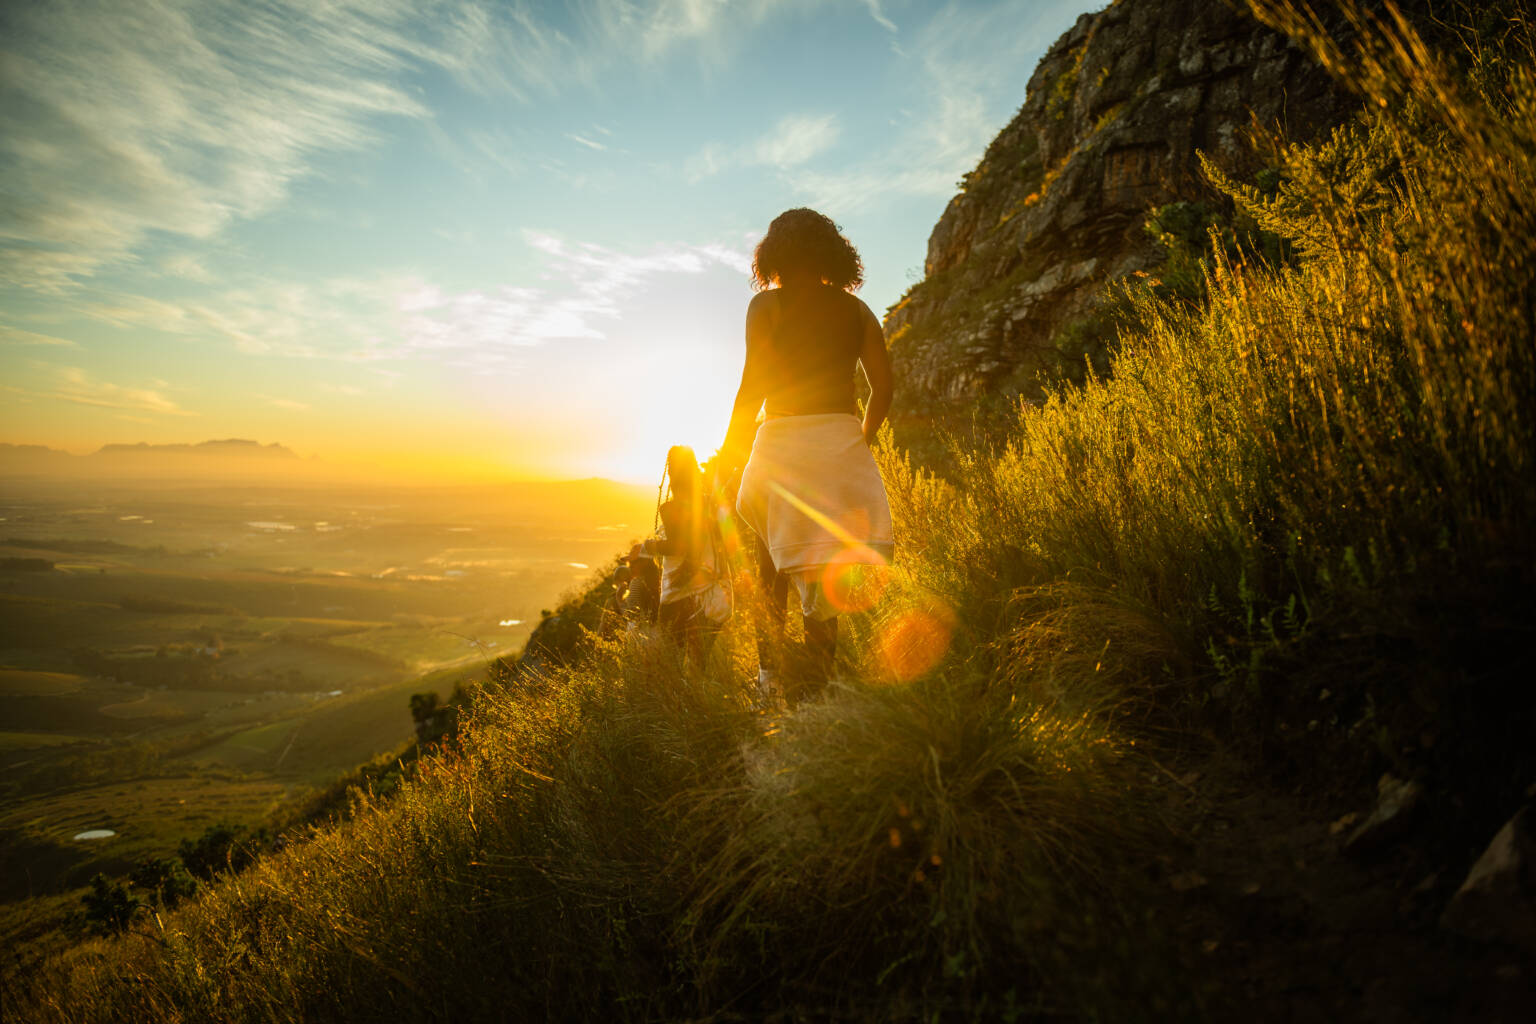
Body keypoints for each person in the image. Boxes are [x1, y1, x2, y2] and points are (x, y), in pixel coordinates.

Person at [716, 208, 894, 703]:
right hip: (839, 441)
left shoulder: (765, 307)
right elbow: (883, 388)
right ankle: (821, 686)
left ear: (773, 254)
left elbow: (754, 383)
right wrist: (862, 437)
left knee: (769, 554)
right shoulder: (856, 311)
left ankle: (769, 679)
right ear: (831, 253)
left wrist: (731, 452)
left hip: (783, 441)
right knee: (825, 565)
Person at [638, 446, 730, 664]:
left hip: (680, 590)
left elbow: (680, 546)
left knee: (672, 658)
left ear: (670, 473)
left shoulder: (670, 508)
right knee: (700, 662)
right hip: (714, 589)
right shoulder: (709, 503)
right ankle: (701, 696)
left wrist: (650, 546)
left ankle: (678, 698)